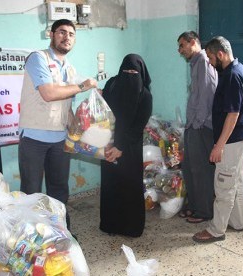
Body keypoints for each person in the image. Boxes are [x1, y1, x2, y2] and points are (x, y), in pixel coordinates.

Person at [18, 19, 97, 230]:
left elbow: (66, 106)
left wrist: (77, 132)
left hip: (59, 140)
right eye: (62, 32)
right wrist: (82, 87)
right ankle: (30, 242)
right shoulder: (38, 58)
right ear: (52, 34)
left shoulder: (69, 68)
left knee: (59, 190)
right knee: (31, 192)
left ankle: (62, 235)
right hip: (34, 138)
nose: (67, 37)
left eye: (71, 34)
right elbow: (49, 93)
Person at [192, 36, 243, 243]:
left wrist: (219, 145)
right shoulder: (236, 70)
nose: (209, 62)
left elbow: (233, 114)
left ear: (220, 54)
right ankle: (237, 222)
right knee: (235, 181)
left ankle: (216, 230)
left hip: (231, 139)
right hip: (238, 138)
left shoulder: (232, 76)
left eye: (210, 57)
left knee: (224, 184)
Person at [99, 54, 153, 237]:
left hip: (130, 147)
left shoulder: (145, 96)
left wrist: (120, 148)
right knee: (110, 185)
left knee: (129, 185)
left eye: (134, 72)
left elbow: (138, 125)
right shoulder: (112, 85)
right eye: (126, 71)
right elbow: (102, 114)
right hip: (108, 142)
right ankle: (110, 225)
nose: (130, 75)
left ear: (141, 73)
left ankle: (131, 227)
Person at [177, 31, 218, 223]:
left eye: (182, 45)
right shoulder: (196, 64)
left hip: (200, 127)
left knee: (201, 170)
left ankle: (204, 211)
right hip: (194, 126)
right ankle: (194, 206)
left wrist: (197, 124)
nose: (180, 50)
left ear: (193, 42)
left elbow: (207, 95)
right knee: (190, 168)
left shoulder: (203, 61)